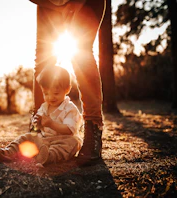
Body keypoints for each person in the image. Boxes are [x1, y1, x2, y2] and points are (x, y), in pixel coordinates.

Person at [29, 0, 106, 166]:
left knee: (81, 54)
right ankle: (38, 126)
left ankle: (93, 129)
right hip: (48, 3)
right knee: (44, 58)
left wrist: (77, 3)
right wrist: (56, 5)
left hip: (87, 3)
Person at [0, 66, 83, 166]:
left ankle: (48, 157)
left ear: (67, 89)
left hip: (62, 140)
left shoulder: (70, 108)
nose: (51, 97)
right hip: (44, 140)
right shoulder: (44, 107)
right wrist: (37, 124)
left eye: (56, 93)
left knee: (72, 142)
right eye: (46, 93)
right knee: (27, 137)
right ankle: (8, 152)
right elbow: (37, 128)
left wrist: (51, 123)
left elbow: (69, 130)